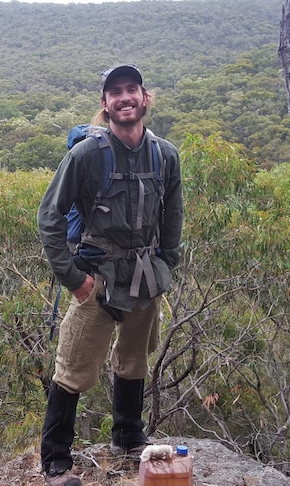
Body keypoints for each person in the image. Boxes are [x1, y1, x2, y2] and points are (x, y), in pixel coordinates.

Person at [37, 64, 184, 485]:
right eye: (115, 92)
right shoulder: (87, 154)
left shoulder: (164, 154)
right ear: (105, 104)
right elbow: (49, 216)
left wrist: (166, 263)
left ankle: (128, 437)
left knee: (135, 358)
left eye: (131, 89)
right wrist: (73, 279)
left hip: (145, 275)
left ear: (144, 97)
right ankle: (55, 459)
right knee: (74, 366)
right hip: (97, 278)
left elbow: (173, 213)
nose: (124, 98)